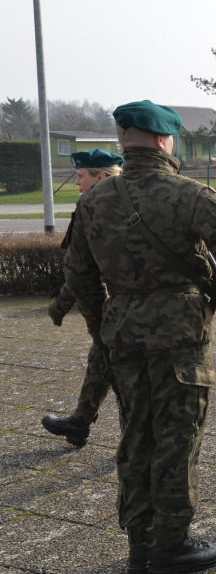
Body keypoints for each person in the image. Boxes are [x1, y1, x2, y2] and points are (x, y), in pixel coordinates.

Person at [63, 100, 216, 574]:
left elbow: (78, 276)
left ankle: (140, 548)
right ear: (162, 140)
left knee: (136, 437)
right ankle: (172, 546)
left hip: (123, 337)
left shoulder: (93, 200)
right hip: (180, 336)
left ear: (122, 139)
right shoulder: (190, 193)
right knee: (177, 439)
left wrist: (103, 328)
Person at [42, 148, 126, 447]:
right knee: (101, 358)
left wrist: (63, 306)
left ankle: (135, 440)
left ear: (100, 177)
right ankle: (79, 422)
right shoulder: (140, 198)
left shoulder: (92, 206)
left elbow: (80, 271)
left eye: (80, 176)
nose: (77, 183)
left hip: (122, 309)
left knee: (116, 366)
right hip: (157, 307)